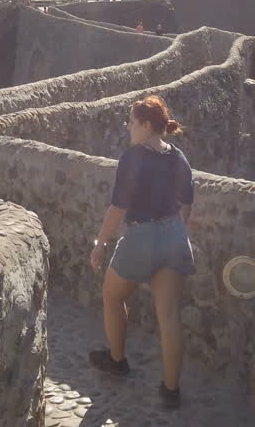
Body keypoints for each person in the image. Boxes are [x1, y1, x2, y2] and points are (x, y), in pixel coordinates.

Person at [89, 95, 194, 410]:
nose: (128, 127)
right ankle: (171, 390)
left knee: (112, 296)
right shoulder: (179, 157)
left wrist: (101, 244)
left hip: (142, 236)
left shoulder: (134, 157)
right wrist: (176, 232)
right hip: (175, 235)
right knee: (170, 317)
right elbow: (187, 204)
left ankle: (117, 360)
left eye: (132, 122)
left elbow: (119, 207)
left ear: (147, 125)